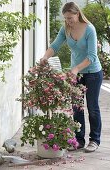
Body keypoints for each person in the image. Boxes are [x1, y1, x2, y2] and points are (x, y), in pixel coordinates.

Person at [40, 2, 103, 153]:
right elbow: (54, 46)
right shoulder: (65, 29)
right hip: (76, 73)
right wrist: (45, 57)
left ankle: (94, 140)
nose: (68, 21)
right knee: (76, 107)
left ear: (77, 14)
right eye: (66, 18)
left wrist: (75, 68)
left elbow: (92, 57)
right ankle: (79, 140)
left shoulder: (89, 29)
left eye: (70, 18)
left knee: (92, 107)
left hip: (93, 73)